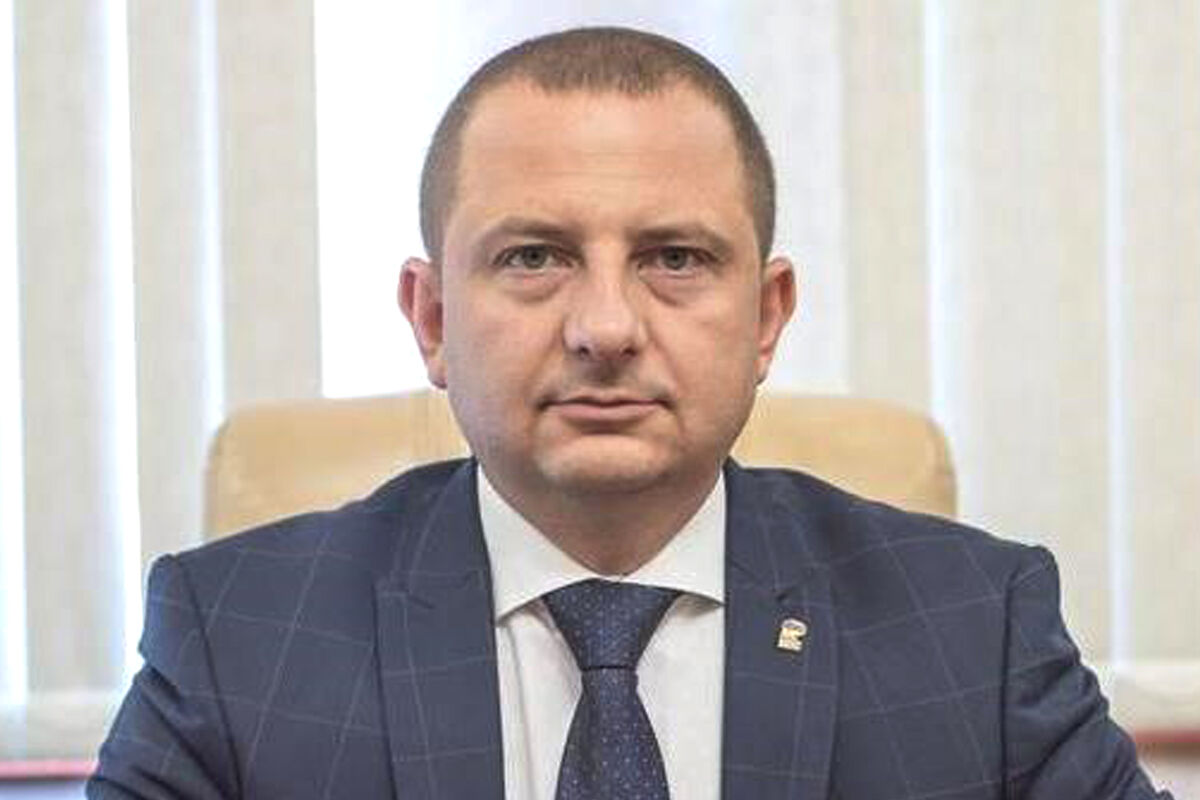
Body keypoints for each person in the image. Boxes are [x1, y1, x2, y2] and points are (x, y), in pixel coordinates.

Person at [89, 26, 1172, 800]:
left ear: (766, 317)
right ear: (433, 317)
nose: (604, 326)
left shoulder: (974, 629)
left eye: (675, 257)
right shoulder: (238, 639)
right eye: (534, 256)